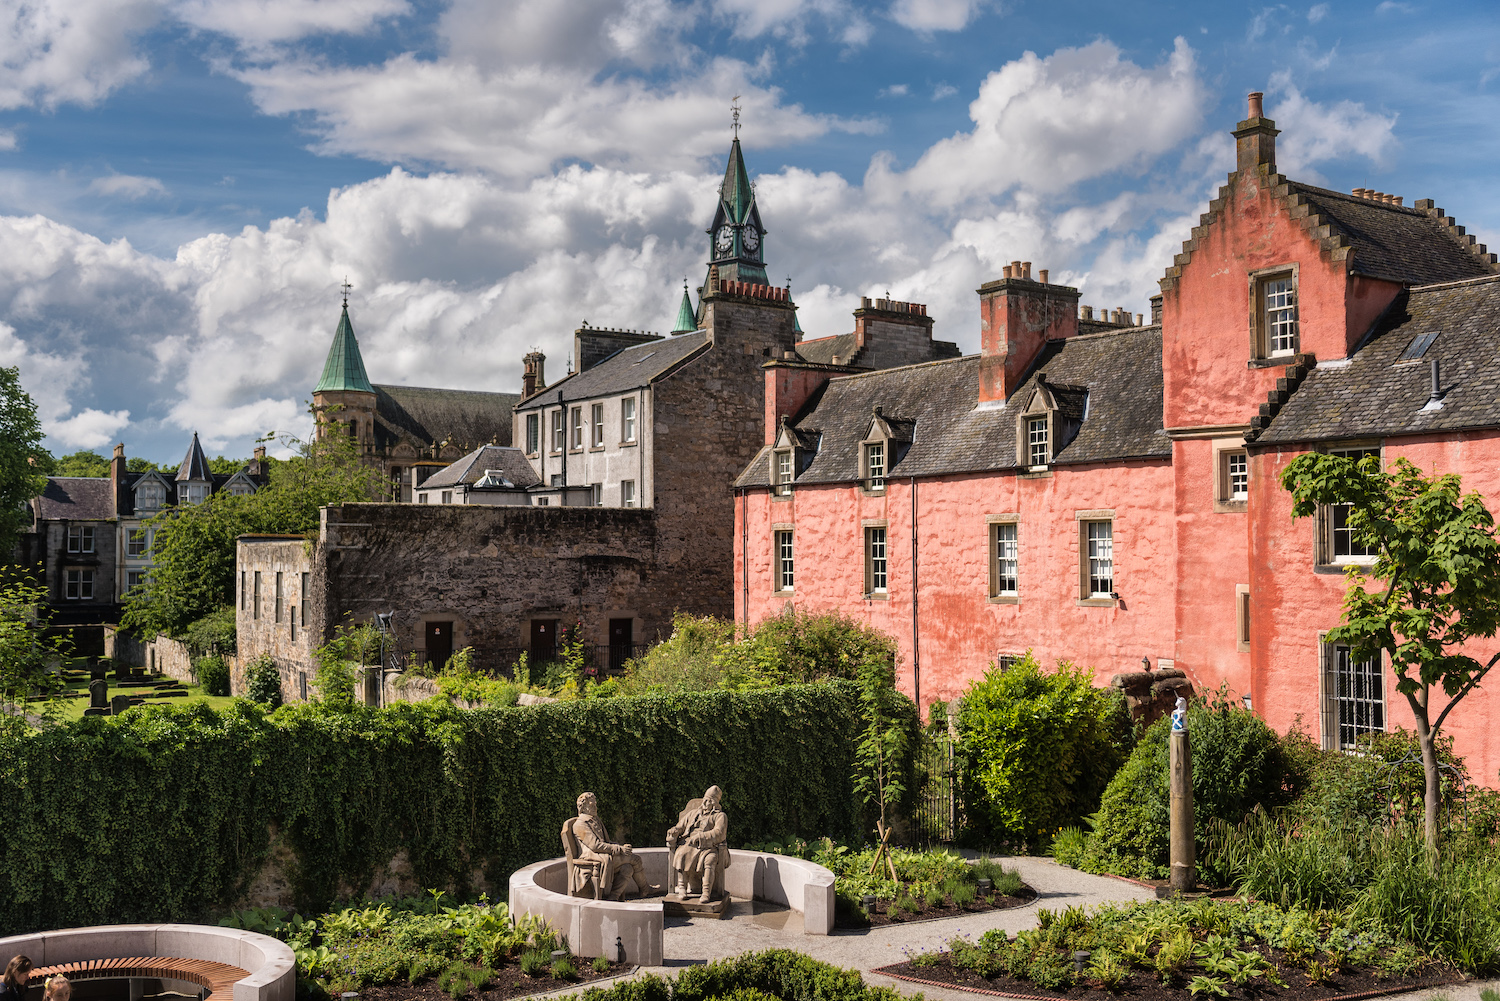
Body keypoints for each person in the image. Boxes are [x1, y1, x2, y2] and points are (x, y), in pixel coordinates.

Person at [568, 792, 659, 900]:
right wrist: (619, 849)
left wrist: (619, 846)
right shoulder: (580, 824)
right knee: (636, 859)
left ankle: (613, 898)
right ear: (583, 807)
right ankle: (645, 889)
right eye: (592, 805)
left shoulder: (595, 820)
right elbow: (595, 845)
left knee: (627, 868)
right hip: (593, 856)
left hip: (602, 854)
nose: (595, 807)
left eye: (595, 804)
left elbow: (605, 841)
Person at [666, 785, 730, 902]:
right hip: (689, 844)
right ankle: (682, 888)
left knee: (710, 860)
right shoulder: (693, 813)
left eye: (709, 801)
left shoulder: (720, 816)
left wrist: (701, 836)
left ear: (715, 803)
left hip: (709, 846)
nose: (705, 803)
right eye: (705, 799)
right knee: (681, 854)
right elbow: (680, 826)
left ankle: (706, 893)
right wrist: (674, 830)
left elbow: (719, 833)